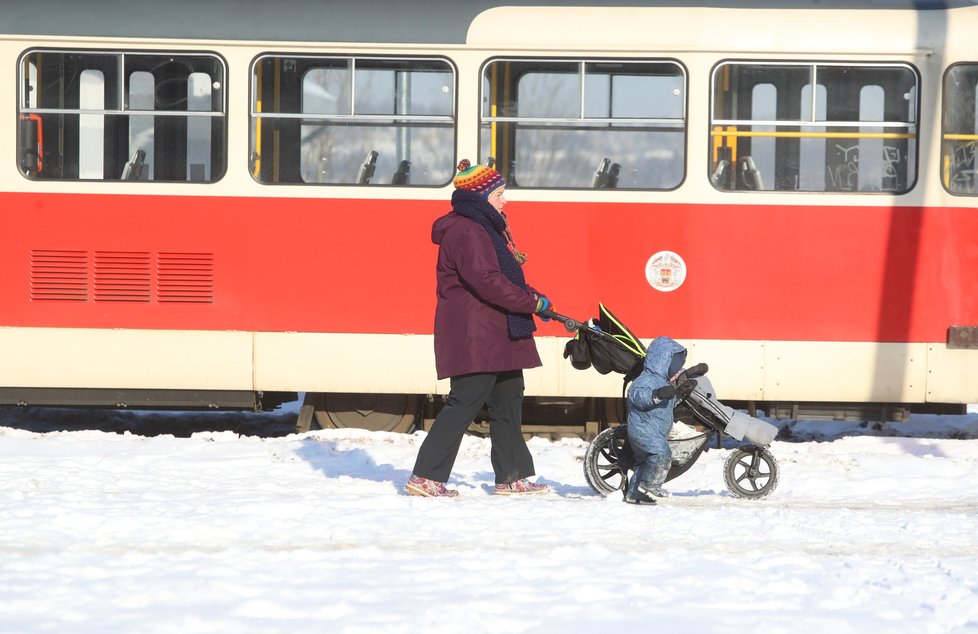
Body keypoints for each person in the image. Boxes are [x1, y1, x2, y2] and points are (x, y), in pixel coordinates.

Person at [404, 159, 553, 498]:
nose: (505, 201)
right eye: (500, 194)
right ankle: (425, 476)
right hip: (477, 335)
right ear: (481, 196)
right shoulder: (466, 231)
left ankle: (512, 477)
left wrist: (534, 298)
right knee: (464, 403)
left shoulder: (483, 227)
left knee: (509, 399)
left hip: (497, 332)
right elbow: (488, 282)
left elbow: (498, 278)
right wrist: (531, 303)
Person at [624, 336, 697, 506]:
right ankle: (649, 488)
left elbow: (667, 403)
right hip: (643, 430)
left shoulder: (663, 382)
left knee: (644, 464)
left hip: (654, 431)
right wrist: (655, 395)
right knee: (661, 455)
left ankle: (634, 494)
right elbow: (637, 396)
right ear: (663, 360)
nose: (677, 369)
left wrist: (680, 393)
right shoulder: (645, 380)